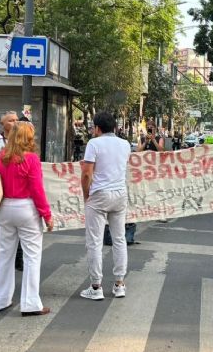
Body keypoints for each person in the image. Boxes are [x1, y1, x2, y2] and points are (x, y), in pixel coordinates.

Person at [0, 121, 53, 316]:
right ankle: (30, 303)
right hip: (26, 208)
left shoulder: (0, 158)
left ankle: (0, 300)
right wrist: (47, 215)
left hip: (4, 207)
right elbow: (37, 190)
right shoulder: (31, 159)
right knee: (32, 256)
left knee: (4, 254)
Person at [79, 111, 132, 300]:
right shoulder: (125, 144)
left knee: (94, 241)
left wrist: (87, 195)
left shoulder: (94, 144)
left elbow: (86, 174)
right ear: (115, 127)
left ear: (97, 128)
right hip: (119, 194)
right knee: (119, 239)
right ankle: (119, 284)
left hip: (99, 195)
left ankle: (96, 286)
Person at [0, 110, 21, 274]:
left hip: (15, 188)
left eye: (16, 120)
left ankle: (18, 259)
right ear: (3, 124)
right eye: (11, 121)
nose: (15, 123)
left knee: (19, 228)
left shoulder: (21, 140)